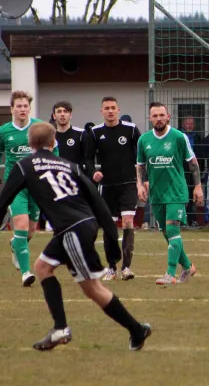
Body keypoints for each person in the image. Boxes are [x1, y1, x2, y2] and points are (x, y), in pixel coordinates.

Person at [0, 122, 152, 351]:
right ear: (54, 143)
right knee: (42, 267)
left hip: (72, 229)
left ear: (29, 144)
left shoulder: (24, 166)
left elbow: (4, 197)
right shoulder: (68, 165)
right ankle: (60, 328)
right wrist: (111, 238)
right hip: (82, 224)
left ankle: (135, 329)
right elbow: (97, 200)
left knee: (91, 288)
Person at [0, 90, 58, 286]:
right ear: (12, 109)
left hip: (37, 186)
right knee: (19, 225)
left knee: (29, 232)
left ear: (29, 108)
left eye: (25, 106)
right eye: (18, 106)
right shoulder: (4, 131)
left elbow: (55, 148)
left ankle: (15, 244)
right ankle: (26, 273)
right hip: (16, 185)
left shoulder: (40, 128)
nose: (22, 109)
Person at [136, 103, 203, 285]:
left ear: (168, 116)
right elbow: (140, 166)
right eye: (155, 116)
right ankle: (188, 267)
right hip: (157, 194)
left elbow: (193, 163)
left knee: (173, 230)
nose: (159, 118)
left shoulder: (179, 137)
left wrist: (198, 187)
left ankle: (170, 274)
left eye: (161, 115)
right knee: (167, 233)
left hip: (176, 192)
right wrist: (140, 185)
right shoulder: (143, 140)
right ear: (150, 118)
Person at [90, 97, 141, 281]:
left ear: (118, 110)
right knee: (109, 226)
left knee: (127, 222)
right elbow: (88, 158)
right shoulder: (95, 133)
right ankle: (111, 267)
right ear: (101, 111)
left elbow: (141, 153)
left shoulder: (131, 129)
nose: (110, 111)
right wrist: (93, 172)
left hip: (128, 183)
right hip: (107, 186)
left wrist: (142, 178)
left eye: (113, 108)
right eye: (107, 108)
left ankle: (126, 267)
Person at [40, 101, 96, 231]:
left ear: (70, 115)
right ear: (54, 116)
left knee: (77, 222)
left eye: (65, 111)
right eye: (59, 112)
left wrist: (87, 176)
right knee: (52, 227)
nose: (62, 114)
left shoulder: (81, 134)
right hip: (53, 182)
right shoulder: (48, 136)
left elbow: (87, 158)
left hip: (74, 182)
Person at [179, 115, 204, 226]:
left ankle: (191, 219)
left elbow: (201, 157)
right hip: (181, 169)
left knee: (192, 195)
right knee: (181, 194)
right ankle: (181, 219)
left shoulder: (198, 138)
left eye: (192, 124)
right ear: (183, 124)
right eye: (188, 123)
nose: (190, 125)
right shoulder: (178, 136)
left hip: (193, 170)